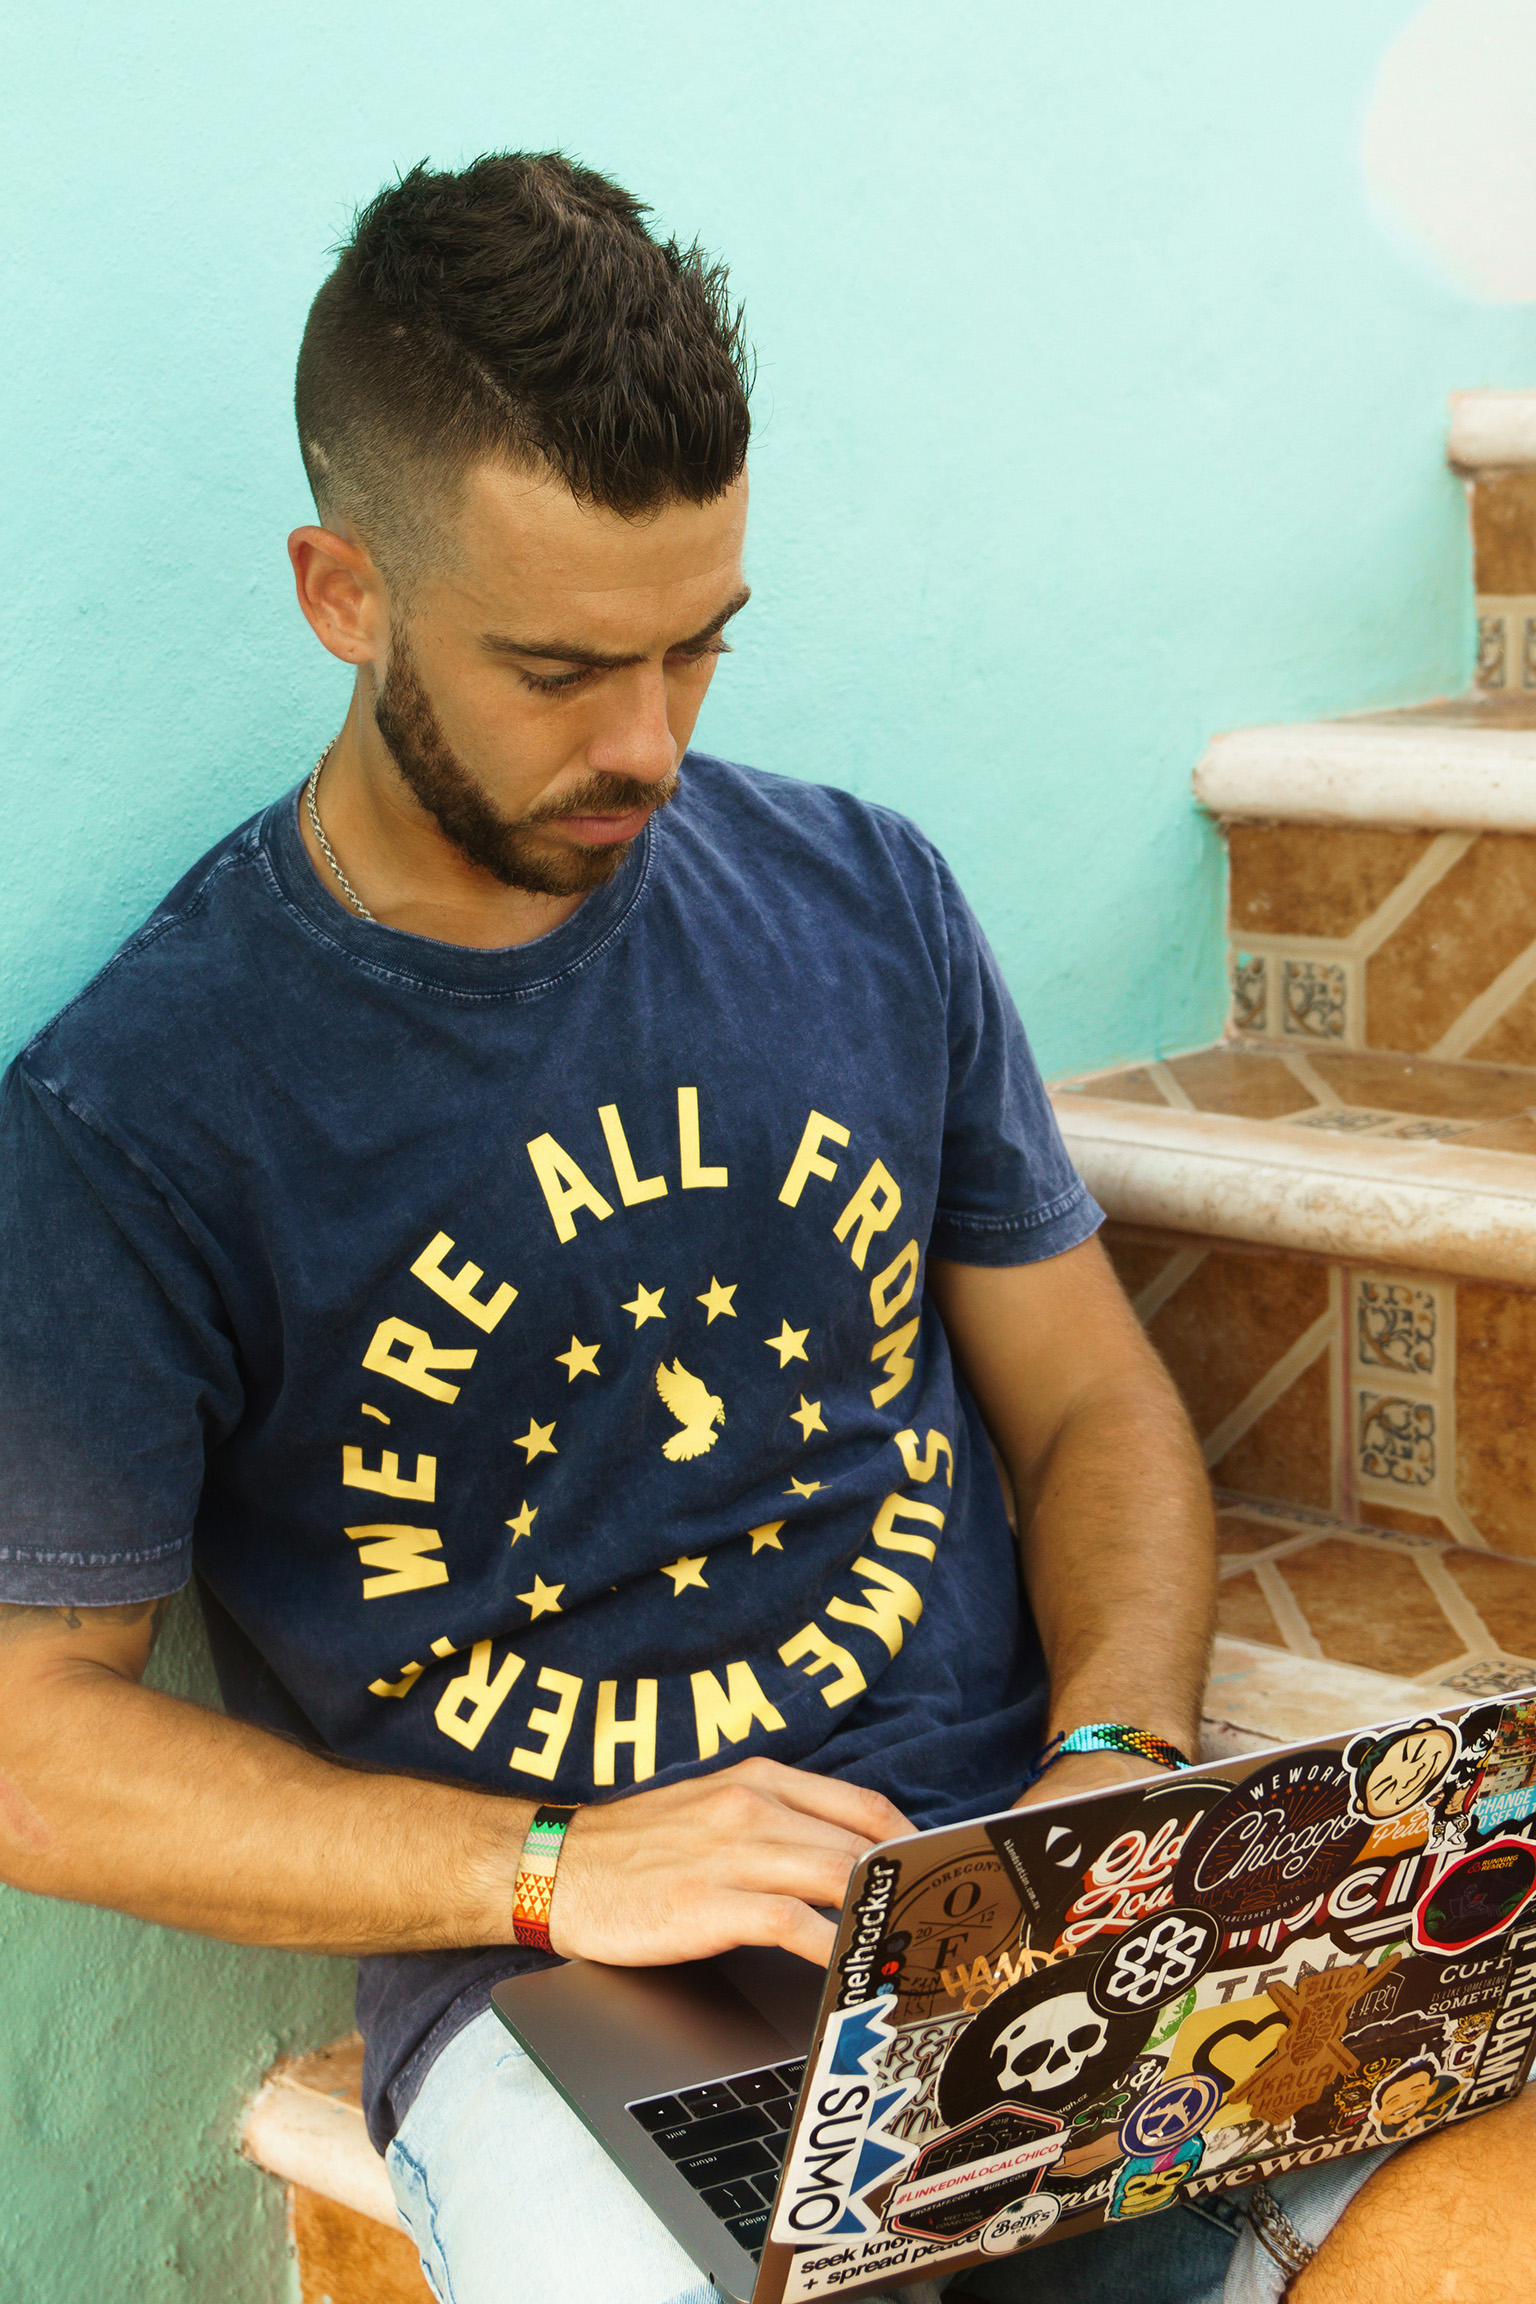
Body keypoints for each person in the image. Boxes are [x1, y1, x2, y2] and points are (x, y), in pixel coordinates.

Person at [0, 151, 1527, 2304]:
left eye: (695, 650)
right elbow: (31, 1748)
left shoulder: (862, 898)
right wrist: (557, 1869)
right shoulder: (142, 1109)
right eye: (557, 670)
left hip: (1009, 1874)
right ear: (342, 590)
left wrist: (1109, 1771)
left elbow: (1090, 1396)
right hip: (570, 1982)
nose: (646, 746)